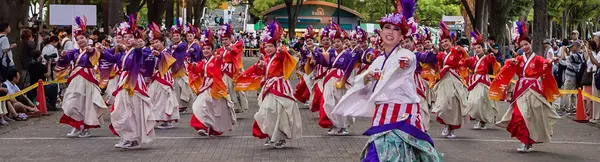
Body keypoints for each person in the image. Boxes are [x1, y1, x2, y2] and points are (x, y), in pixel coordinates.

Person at [332, 1, 442, 160]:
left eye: (396, 29)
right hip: (382, 113)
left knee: (401, 156)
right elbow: (362, 83)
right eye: (387, 27)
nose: (391, 32)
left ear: (401, 36)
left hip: (403, 113)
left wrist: (399, 66)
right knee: (375, 154)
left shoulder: (406, 55)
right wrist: (367, 77)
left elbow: (405, 63)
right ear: (381, 32)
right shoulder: (378, 60)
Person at [489, 20, 560, 152]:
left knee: (532, 116)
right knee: (519, 115)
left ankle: (529, 141)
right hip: (521, 89)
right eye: (522, 46)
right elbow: (508, 65)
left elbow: (545, 62)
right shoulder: (520, 59)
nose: (525, 47)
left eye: (526, 44)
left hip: (533, 89)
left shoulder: (537, 58)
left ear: (531, 43)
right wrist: (511, 62)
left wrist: (551, 60)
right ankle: (524, 141)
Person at [236, 21, 302, 149]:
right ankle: (271, 135)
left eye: (270, 46)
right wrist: (259, 67)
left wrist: (279, 45)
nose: (268, 49)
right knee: (266, 111)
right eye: (266, 47)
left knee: (280, 112)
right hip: (269, 87)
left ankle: (279, 137)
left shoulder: (279, 55)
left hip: (280, 86)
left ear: (275, 46)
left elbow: (284, 54)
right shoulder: (266, 59)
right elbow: (261, 72)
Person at [109, 15, 159, 149]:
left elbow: (138, 50)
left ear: (135, 39)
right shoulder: (124, 53)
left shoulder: (137, 52)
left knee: (133, 110)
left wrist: (137, 43)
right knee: (120, 110)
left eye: (130, 37)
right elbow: (112, 59)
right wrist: (101, 52)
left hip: (134, 83)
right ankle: (127, 136)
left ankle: (134, 138)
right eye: (125, 37)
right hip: (124, 82)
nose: (128, 39)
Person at [57, 16, 108, 138]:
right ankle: (76, 125)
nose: (80, 41)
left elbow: (95, 56)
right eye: (78, 39)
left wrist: (91, 50)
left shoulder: (92, 50)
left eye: (82, 38)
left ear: (87, 38)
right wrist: (63, 56)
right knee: (71, 102)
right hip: (76, 79)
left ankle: (85, 128)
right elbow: (64, 61)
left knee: (87, 103)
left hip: (88, 79)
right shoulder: (74, 52)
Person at [189, 29, 236, 136]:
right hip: (206, 87)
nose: (205, 51)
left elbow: (225, 60)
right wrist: (191, 66)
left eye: (208, 49)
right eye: (204, 49)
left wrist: (219, 59)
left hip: (216, 87)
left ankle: (213, 128)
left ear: (212, 50)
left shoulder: (216, 59)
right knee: (200, 105)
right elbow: (197, 70)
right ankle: (203, 127)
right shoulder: (203, 62)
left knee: (215, 110)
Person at [313, 22, 355, 135]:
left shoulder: (348, 54)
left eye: (338, 42)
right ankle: (334, 124)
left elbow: (350, 68)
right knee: (328, 102)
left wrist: (346, 80)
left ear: (342, 43)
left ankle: (343, 126)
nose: (336, 44)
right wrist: (316, 54)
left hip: (341, 79)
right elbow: (324, 63)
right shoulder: (331, 53)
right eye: (334, 42)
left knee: (340, 102)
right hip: (330, 79)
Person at [432, 21, 468, 139]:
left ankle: (451, 128)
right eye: (442, 42)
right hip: (444, 80)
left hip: (454, 79)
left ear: (451, 41)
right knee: (443, 104)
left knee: (453, 103)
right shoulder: (441, 55)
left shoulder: (457, 51)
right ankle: (446, 125)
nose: (444, 43)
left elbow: (464, 60)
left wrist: (461, 51)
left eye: (446, 41)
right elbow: (437, 67)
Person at [464, 31, 500, 130]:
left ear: (483, 49)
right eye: (475, 48)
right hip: (474, 81)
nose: (477, 50)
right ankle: (478, 119)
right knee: (472, 101)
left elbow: (494, 63)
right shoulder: (472, 59)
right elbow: (464, 64)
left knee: (482, 101)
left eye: (479, 48)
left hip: (483, 80)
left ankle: (482, 121)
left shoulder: (487, 57)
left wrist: (492, 58)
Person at [146, 22, 179, 129]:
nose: (155, 44)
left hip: (164, 77)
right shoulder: (153, 52)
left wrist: (159, 55)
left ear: (162, 42)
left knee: (164, 99)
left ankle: (167, 120)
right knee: (152, 97)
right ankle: (157, 118)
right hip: (156, 77)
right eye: (153, 42)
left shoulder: (167, 50)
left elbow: (167, 59)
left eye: (157, 42)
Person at [216, 23, 249, 113]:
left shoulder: (237, 45)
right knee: (226, 88)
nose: (224, 41)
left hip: (235, 70)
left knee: (237, 90)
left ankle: (238, 105)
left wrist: (231, 49)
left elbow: (236, 52)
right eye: (223, 40)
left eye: (226, 39)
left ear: (231, 38)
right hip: (225, 72)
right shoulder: (222, 49)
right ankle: (231, 106)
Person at [170, 20, 196, 112]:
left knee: (186, 85)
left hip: (183, 67)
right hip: (175, 68)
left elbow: (182, 47)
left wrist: (175, 47)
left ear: (180, 36)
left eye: (177, 35)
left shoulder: (182, 44)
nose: (176, 37)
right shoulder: (173, 45)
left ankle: (193, 104)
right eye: (174, 36)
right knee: (177, 86)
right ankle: (181, 105)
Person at [559, 40, 584, 115]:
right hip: (574, 76)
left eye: (572, 47)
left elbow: (563, 58)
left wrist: (563, 50)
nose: (570, 49)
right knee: (573, 93)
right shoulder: (580, 54)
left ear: (575, 47)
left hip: (570, 77)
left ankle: (565, 107)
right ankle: (573, 107)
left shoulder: (574, 56)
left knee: (566, 92)